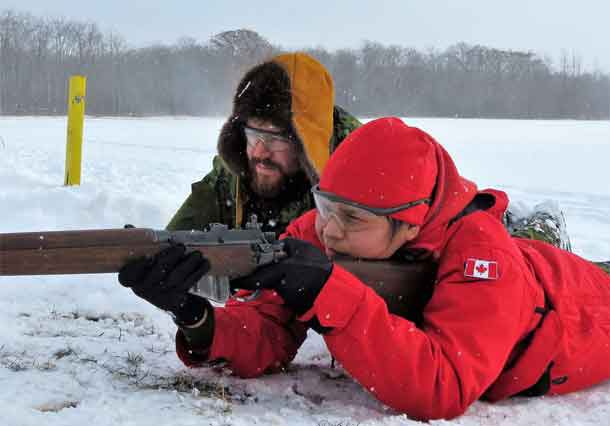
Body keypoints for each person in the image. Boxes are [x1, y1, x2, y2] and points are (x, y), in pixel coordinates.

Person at [119, 117, 610, 420]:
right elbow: (267, 330)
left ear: (411, 223)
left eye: (351, 219)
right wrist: (200, 320)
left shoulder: (484, 255)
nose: (327, 230)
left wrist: (331, 292)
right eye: (324, 205)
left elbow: (444, 388)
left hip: (585, 305)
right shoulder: (324, 226)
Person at [166, 52, 360, 234]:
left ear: (309, 145)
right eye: (252, 135)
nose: (259, 152)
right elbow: (175, 239)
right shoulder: (231, 178)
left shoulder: (359, 178)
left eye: (275, 138)